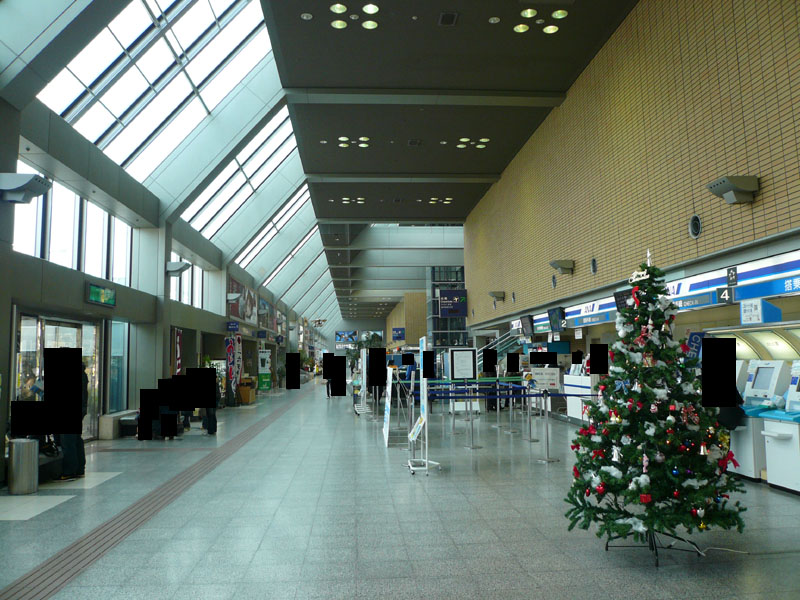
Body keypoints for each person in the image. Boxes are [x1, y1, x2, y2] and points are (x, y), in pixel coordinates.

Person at [59, 363, 88, 480]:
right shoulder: (82, 373)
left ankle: (69, 471)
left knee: (68, 440)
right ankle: (79, 468)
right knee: (76, 439)